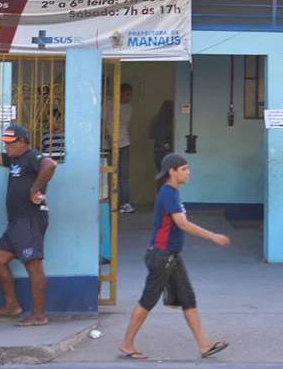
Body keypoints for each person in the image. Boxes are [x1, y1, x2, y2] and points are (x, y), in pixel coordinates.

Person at [117, 153, 231, 361]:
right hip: (162, 256)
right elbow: (182, 224)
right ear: (172, 172)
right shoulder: (168, 193)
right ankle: (127, 344)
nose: (189, 173)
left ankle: (204, 344)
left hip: (172, 256)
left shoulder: (173, 193)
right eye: (184, 169)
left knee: (188, 298)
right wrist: (213, 236)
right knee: (147, 300)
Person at [0, 107, 58, 327]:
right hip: (16, 222)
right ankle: (12, 305)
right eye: (5, 142)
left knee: (33, 266)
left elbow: (50, 165)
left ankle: (39, 315)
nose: (6, 146)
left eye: (10, 142)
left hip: (29, 220)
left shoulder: (32, 156)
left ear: (23, 142)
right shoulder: (14, 160)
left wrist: (35, 189)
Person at [105, 83, 134, 213]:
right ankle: (109, 203)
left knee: (123, 174)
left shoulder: (128, 107)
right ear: (120, 93)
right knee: (108, 173)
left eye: (130, 95)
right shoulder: (107, 105)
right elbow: (102, 124)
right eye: (127, 94)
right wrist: (109, 141)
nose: (129, 97)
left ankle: (124, 203)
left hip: (123, 143)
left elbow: (122, 124)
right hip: (107, 144)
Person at [150, 100, 174, 170]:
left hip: (158, 151)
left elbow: (150, 135)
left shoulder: (156, 119)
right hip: (165, 152)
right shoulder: (170, 123)